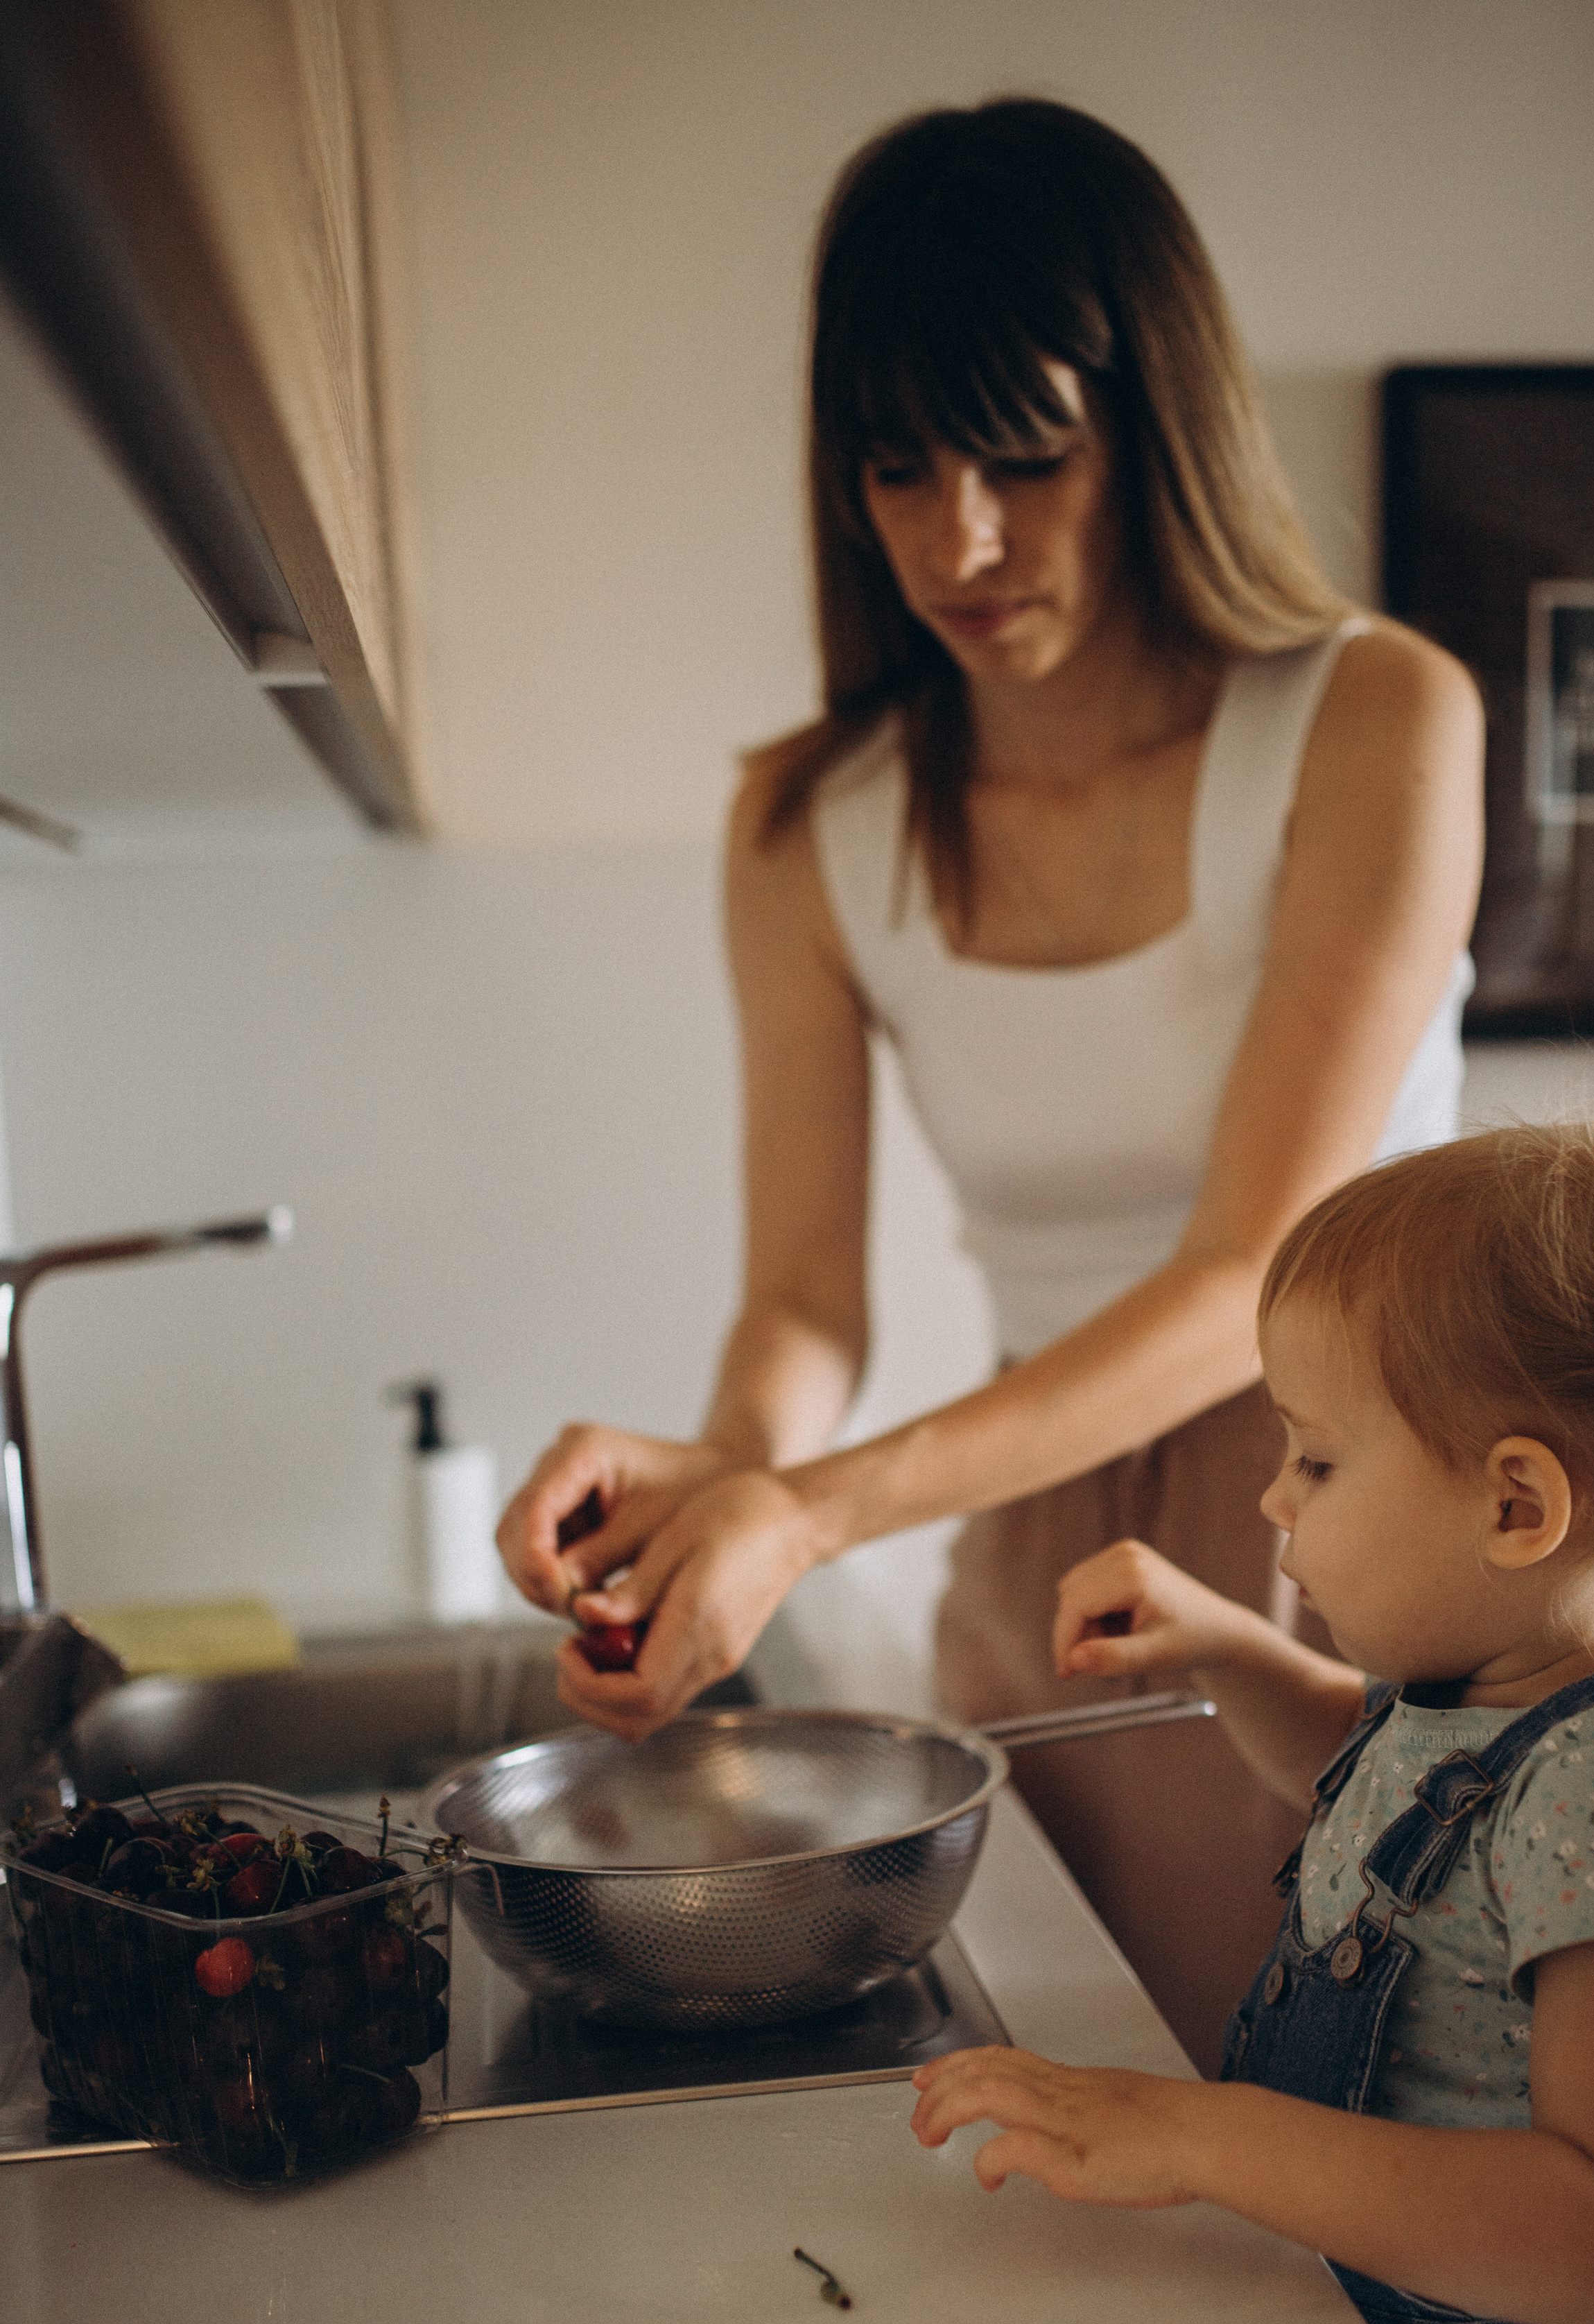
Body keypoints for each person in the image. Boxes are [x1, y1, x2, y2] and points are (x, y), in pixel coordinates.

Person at [497, 98, 1484, 2071]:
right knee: (1060, 2139)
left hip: (1377, 1534)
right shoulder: (812, 822)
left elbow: (1250, 1269)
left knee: (1352, 2156)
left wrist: (809, 1508)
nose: (958, 539)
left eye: (1027, 458)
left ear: (1161, 430)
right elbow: (803, 1304)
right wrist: (719, 1491)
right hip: (1030, 1558)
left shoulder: (1371, 719)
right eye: (896, 467)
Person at [910, 1124, 1594, 2324]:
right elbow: (1405, 1808)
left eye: (1314, 1457)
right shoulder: (1495, 1694)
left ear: (1517, 1507)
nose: (1271, 1501)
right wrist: (1230, 1652)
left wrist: (1201, 2133)